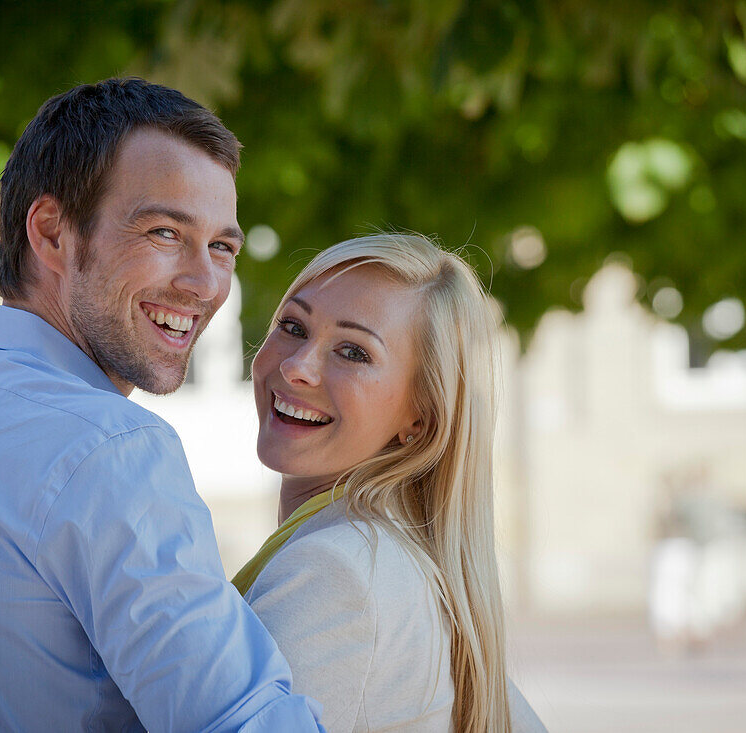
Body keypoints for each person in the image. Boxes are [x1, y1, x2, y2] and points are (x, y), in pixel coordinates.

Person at [0, 78, 322, 732]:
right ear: (52, 233)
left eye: (222, 246)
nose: (205, 282)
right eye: (164, 231)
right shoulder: (112, 449)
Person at [233, 233, 547, 732]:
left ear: (419, 418)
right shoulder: (397, 557)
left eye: (353, 352)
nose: (296, 367)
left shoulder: (339, 571)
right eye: (292, 326)